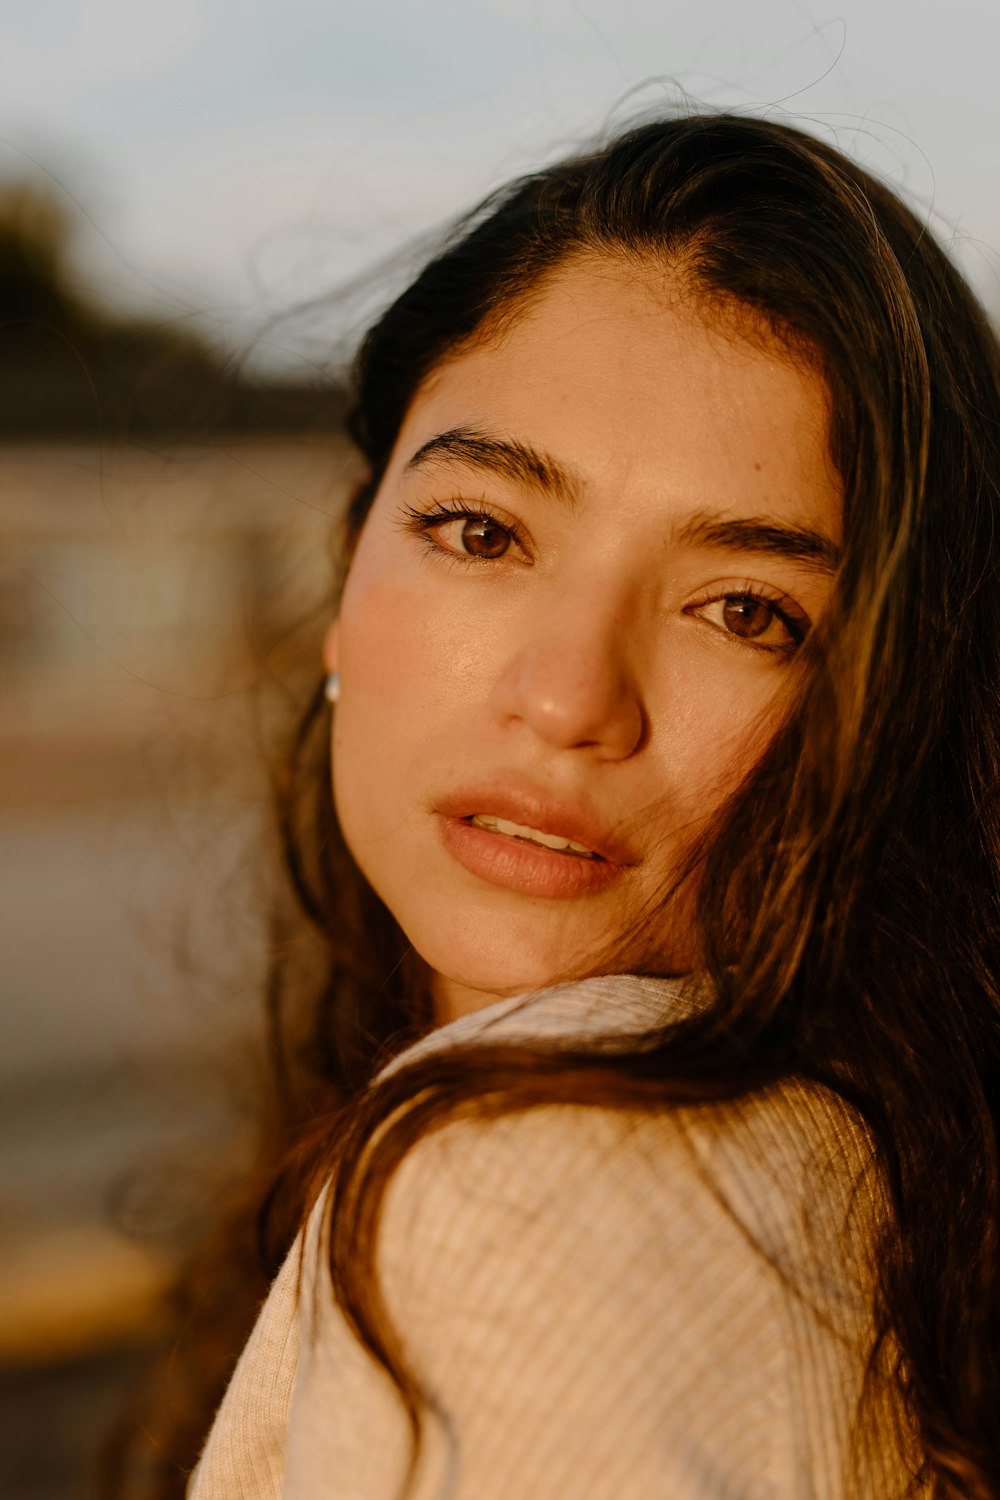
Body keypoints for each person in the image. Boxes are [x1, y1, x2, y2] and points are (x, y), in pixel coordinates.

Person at [109, 111, 1000, 1498]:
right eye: (481, 531)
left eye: (747, 610)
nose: (572, 695)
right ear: (350, 567)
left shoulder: (531, 1172)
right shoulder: (880, 1183)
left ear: (892, 703)